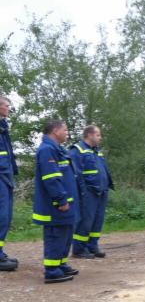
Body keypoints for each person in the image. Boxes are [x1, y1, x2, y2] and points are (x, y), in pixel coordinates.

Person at [33, 120, 80, 283]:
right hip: (56, 205)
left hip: (66, 202)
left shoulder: (57, 149)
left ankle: (60, 264)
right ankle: (52, 271)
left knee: (65, 234)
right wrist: (61, 199)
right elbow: (51, 178)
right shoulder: (47, 150)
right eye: (65, 130)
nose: (67, 133)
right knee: (56, 235)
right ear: (55, 131)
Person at [70, 125, 114, 259]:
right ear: (89, 135)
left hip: (101, 191)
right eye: (98, 135)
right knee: (85, 221)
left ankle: (92, 246)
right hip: (88, 193)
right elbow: (76, 174)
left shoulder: (96, 151)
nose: (100, 138)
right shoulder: (77, 150)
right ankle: (79, 249)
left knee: (97, 221)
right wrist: (82, 192)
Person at [0, 96, 19, 272]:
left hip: (6, 178)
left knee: (5, 217)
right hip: (1, 178)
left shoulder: (3, 127)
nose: (9, 108)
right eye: (7, 105)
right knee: (2, 216)